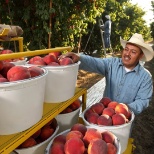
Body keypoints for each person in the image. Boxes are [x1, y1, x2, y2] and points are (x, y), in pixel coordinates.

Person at [59, 33, 154, 115]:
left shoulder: (145, 77)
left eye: (133, 52)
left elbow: (143, 100)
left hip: (125, 120)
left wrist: (125, 109)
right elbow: (94, 63)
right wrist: (79, 57)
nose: (127, 54)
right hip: (103, 114)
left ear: (140, 56)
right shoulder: (112, 64)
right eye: (126, 49)